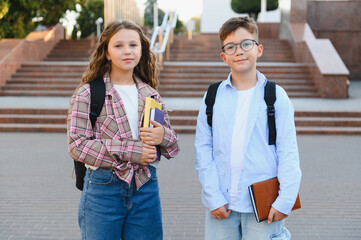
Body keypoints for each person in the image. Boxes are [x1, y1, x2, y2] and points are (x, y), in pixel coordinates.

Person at [67, 20, 179, 240]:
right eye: (118, 46)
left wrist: (162, 136)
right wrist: (132, 151)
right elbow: (77, 145)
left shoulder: (150, 94)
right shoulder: (88, 93)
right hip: (103, 188)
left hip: (146, 187)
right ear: (106, 52)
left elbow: (173, 146)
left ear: (142, 50)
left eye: (133, 45)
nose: (127, 51)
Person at [195, 17, 301, 239]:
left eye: (246, 44)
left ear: (259, 49)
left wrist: (286, 200)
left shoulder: (275, 96)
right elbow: (203, 149)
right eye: (231, 47)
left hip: (264, 204)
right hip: (222, 202)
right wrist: (213, 196)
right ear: (224, 56)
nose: (239, 51)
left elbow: (288, 151)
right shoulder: (213, 96)